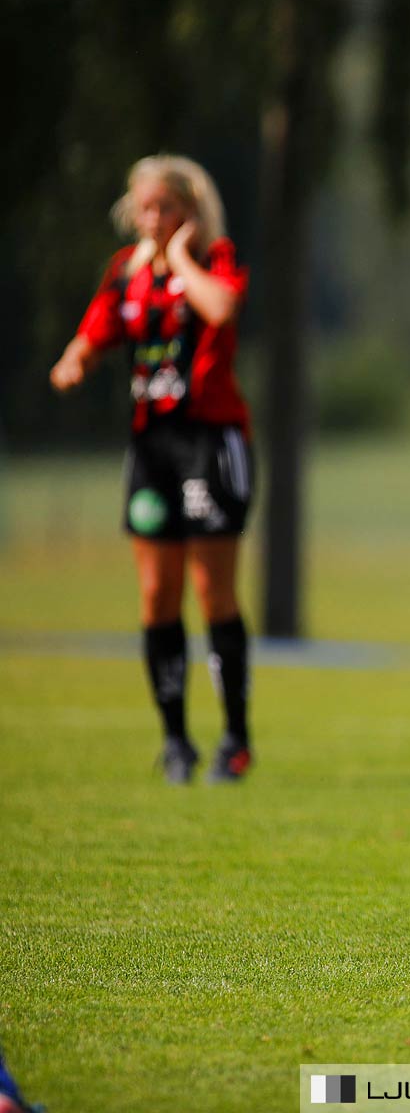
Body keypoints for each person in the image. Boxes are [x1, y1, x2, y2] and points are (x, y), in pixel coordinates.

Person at [50, 155, 255, 785]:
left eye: (165, 207)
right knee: (155, 595)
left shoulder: (213, 261)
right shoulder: (126, 276)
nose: (153, 218)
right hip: (152, 448)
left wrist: (184, 260)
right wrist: (74, 359)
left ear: (189, 213)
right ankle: (175, 742)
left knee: (211, 590)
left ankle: (235, 740)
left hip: (209, 443)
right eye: (144, 208)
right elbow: (94, 332)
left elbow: (219, 309)